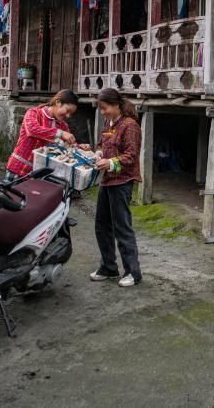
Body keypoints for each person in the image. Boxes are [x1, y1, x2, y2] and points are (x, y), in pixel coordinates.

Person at [89, 88, 143, 287]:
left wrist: (111, 162)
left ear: (116, 105)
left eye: (105, 108)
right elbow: (101, 144)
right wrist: (98, 153)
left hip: (122, 181)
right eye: (101, 109)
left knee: (122, 227)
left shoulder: (130, 126)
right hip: (106, 180)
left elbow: (131, 155)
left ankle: (133, 272)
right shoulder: (108, 123)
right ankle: (108, 267)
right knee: (101, 225)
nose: (103, 112)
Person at [6, 89, 79, 179]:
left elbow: (67, 147)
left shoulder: (63, 126)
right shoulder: (33, 113)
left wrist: (79, 147)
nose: (68, 116)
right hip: (18, 170)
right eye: (67, 111)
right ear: (58, 102)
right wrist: (60, 133)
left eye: (71, 114)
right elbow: (32, 130)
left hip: (41, 176)